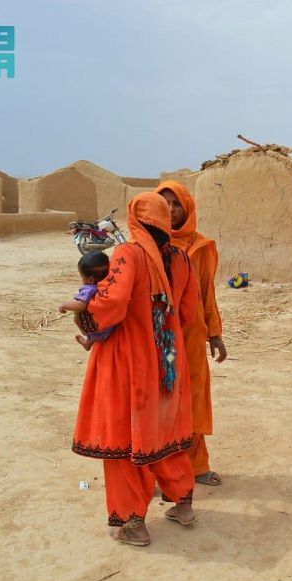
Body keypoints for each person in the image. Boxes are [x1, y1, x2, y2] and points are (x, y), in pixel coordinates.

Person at [72, 192, 200, 546]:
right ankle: (183, 505)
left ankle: (132, 523)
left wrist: (85, 308)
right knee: (167, 431)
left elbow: (111, 303)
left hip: (128, 361)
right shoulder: (181, 258)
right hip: (169, 361)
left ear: (135, 219)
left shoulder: (128, 254)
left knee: (124, 439)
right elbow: (188, 312)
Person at [156, 180, 227, 487]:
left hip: (192, 334)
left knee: (194, 397)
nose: (171, 210)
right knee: (161, 401)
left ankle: (196, 465)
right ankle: (157, 469)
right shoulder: (146, 243)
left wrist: (215, 334)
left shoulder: (202, 247)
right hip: (157, 336)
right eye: (165, 204)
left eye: (177, 205)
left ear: (187, 208)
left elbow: (207, 291)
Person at [58, 251, 115, 350]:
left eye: (82, 276)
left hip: (97, 331)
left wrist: (64, 305)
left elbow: (80, 305)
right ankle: (88, 343)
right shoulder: (110, 284)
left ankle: (89, 340)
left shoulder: (89, 289)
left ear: (90, 280)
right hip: (111, 327)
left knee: (77, 318)